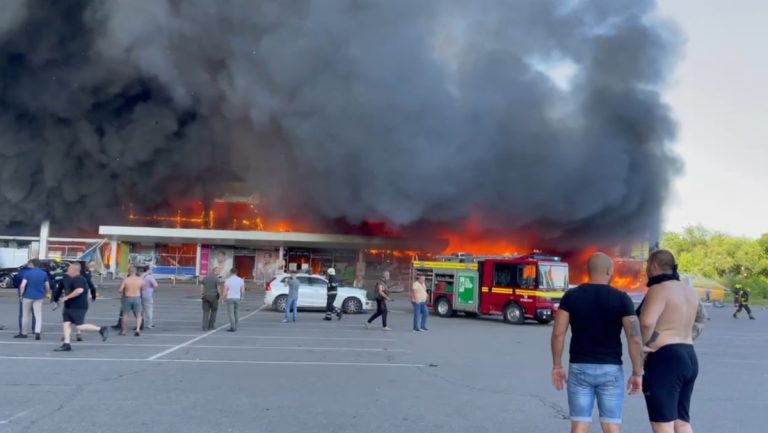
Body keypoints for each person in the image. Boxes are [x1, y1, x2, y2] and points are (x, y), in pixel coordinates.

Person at [551, 252, 644, 433]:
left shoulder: (571, 296)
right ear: (609, 271)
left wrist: (557, 366)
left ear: (589, 271)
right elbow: (634, 337)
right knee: (611, 426)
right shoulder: (621, 298)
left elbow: (558, 334)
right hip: (611, 369)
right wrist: (637, 373)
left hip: (579, 367)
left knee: (579, 425)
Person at [639, 250, 701, 433]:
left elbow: (646, 322)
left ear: (654, 266)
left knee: (663, 424)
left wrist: (645, 346)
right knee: (682, 421)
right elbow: (698, 321)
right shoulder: (689, 291)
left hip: (666, 359)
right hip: (689, 355)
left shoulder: (658, 289)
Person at [52, 262, 109, 352]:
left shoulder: (79, 279)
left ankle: (101, 329)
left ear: (75, 270)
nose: (68, 270)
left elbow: (79, 290)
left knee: (79, 326)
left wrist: (66, 297)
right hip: (68, 305)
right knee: (66, 324)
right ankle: (66, 344)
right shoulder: (65, 278)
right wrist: (56, 300)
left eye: (70, 269)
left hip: (79, 306)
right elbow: (59, 289)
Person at [15, 259, 51, 340]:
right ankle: (37, 331)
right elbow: (47, 286)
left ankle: (24, 333)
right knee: (38, 315)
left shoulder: (27, 273)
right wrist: (48, 295)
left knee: (25, 316)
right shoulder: (44, 273)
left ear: (32, 264)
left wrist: (21, 295)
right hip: (39, 297)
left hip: (27, 296)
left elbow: (23, 285)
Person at [119, 265, 144, 336]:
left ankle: (123, 331)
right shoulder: (140, 280)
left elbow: (120, 290)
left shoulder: (126, 280)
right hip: (137, 297)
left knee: (125, 315)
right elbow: (143, 288)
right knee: (139, 315)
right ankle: (138, 329)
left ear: (128, 272)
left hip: (127, 297)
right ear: (136, 272)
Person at [222, 267, 244, 332]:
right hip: (237, 298)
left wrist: (223, 298)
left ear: (230, 272)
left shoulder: (228, 280)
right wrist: (242, 297)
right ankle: (236, 326)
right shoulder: (240, 280)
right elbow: (242, 290)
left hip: (230, 297)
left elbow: (225, 290)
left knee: (231, 313)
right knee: (236, 312)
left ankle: (232, 327)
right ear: (236, 272)